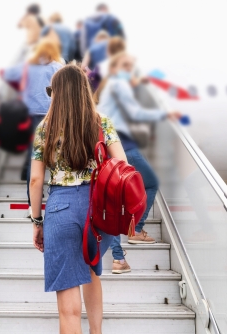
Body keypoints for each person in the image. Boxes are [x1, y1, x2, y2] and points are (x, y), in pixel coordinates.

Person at [29, 64, 127, 333]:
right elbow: (123, 164)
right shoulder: (101, 121)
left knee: (68, 309)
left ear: (57, 93)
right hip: (99, 210)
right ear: (84, 90)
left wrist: (37, 221)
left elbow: (36, 180)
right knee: (90, 270)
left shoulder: (45, 128)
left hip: (62, 209)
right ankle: (97, 331)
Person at [94, 52, 181, 274]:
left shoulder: (105, 89)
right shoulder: (119, 84)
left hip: (107, 148)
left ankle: (118, 259)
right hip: (123, 146)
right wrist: (163, 115)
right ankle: (136, 229)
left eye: (131, 66)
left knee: (113, 202)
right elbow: (134, 113)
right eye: (126, 65)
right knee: (151, 182)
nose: (129, 69)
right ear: (115, 67)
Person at [1, 40, 63, 201]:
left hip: (30, 116)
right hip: (52, 116)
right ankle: (58, 195)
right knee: (58, 156)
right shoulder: (57, 67)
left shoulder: (27, 67)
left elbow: (5, 74)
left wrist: (22, 88)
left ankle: (32, 201)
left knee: (34, 157)